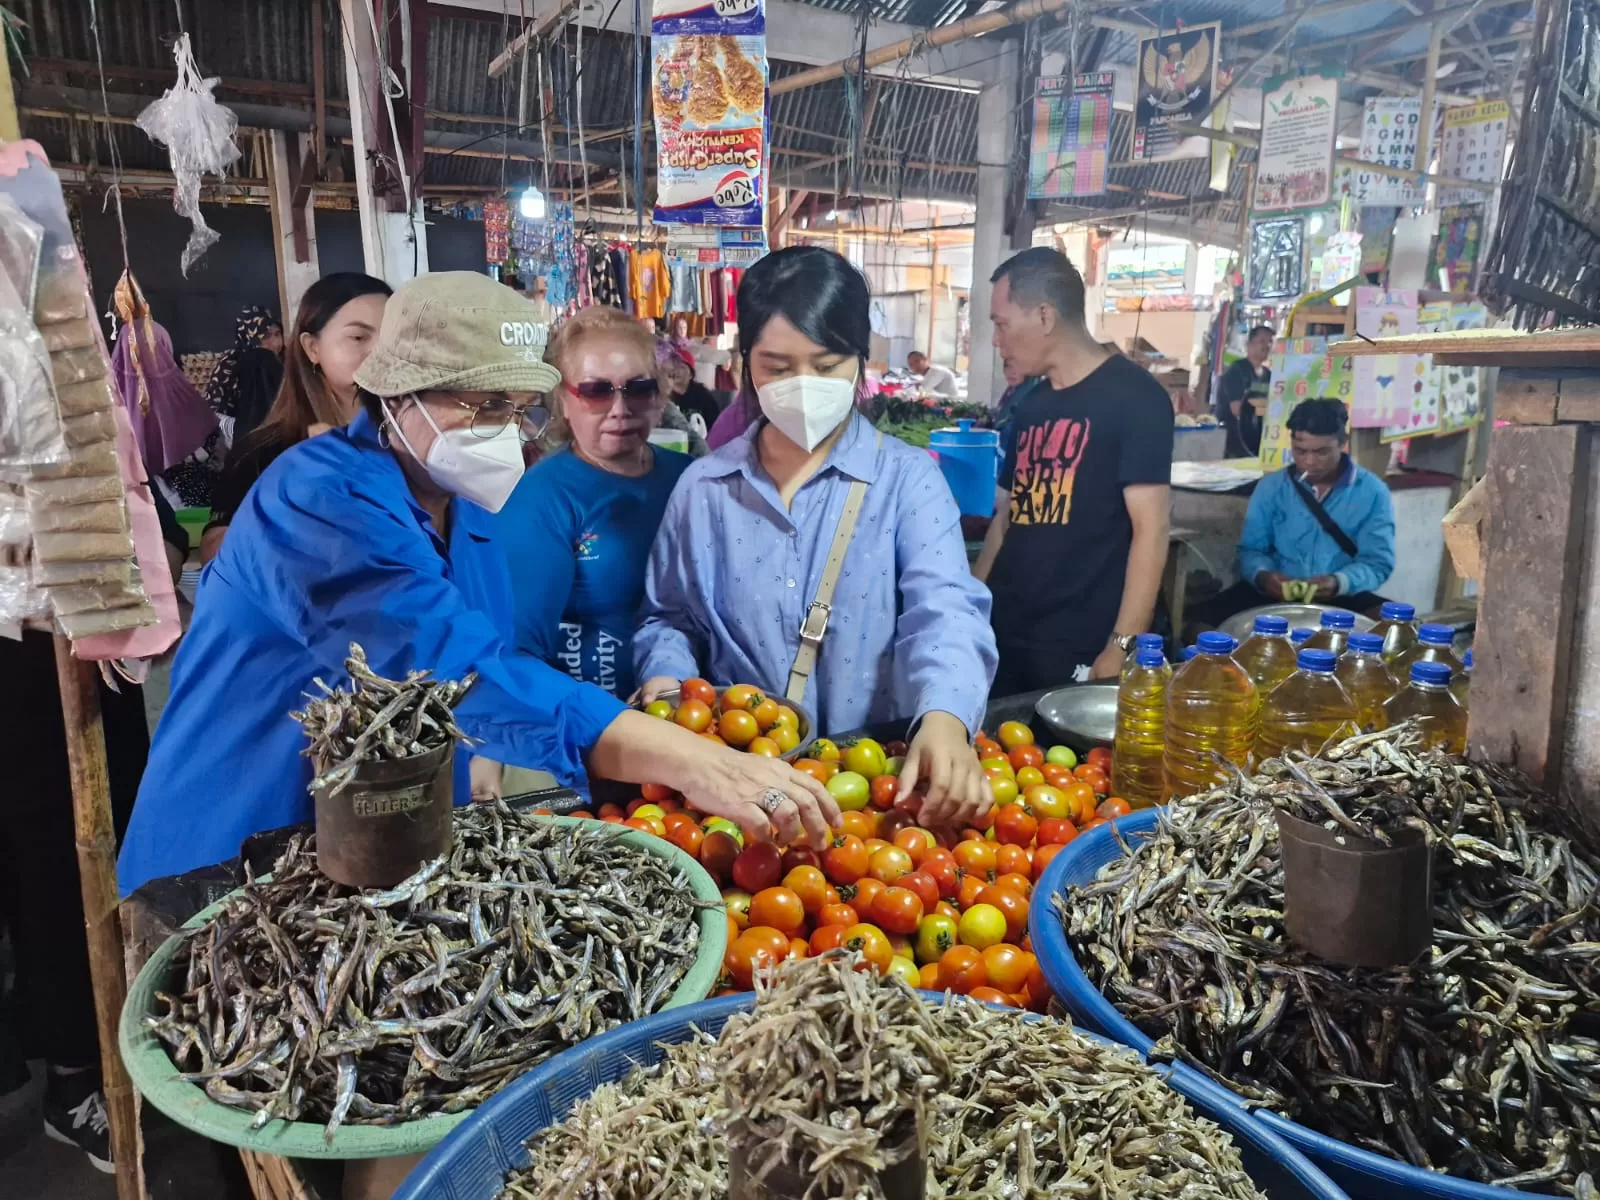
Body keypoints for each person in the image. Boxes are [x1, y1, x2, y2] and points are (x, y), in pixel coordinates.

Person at [117, 272, 838, 899]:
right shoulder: (320, 500)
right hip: (235, 849)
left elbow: (497, 665)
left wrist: (480, 769)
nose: (503, 430)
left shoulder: (473, 509)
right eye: (480, 404)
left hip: (372, 853)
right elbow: (450, 672)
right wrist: (694, 760)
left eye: (515, 408)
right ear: (398, 395)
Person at [635, 246, 997, 830]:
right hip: (743, 790)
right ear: (744, 360)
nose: (802, 386)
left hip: (871, 789)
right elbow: (669, 618)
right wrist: (667, 688)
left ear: (859, 360)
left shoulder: (907, 481)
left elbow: (946, 611)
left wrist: (946, 716)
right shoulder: (704, 488)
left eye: (826, 365)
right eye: (777, 368)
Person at [0, 490, 188, 1174]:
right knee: (45, 873)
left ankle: (117, 1041)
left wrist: (141, 576)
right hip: (20, 692)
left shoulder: (67, 412)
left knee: (115, 860)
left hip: (98, 682)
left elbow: (155, 523)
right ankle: (74, 1076)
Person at [974, 247, 1172, 689]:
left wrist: (1121, 645)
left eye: (1001, 324)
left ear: (1044, 316)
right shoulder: (1030, 404)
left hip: (1080, 640)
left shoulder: (1137, 400)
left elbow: (1151, 530)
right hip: (1009, 632)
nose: (996, 340)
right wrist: (969, 610)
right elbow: (1005, 519)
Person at [499, 307, 692, 700]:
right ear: (564, 402)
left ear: (659, 395)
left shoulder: (692, 480)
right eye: (595, 391)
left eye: (638, 388)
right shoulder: (541, 499)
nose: (620, 410)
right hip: (589, 728)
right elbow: (519, 655)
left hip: (694, 713)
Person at [201, 273, 392, 562]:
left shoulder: (410, 440)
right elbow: (214, 552)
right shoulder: (265, 451)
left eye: (390, 337)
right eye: (358, 337)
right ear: (312, 348)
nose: (379, 351)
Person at [1188, 398, 1395, 627]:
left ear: (1342, 443)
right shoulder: (1272, 487)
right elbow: (1251, 550)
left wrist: (1338, 582)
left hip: (1344, 597)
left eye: (1322, 452)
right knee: (1196, 626)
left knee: (1396, 628)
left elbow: (1377, 563)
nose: (1309, 462)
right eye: (1300, 451)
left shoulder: (1372, 492)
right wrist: (1263, 576)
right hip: (1273, 595)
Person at [162, 307, 286, 509]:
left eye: (277, 334)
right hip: (231, 444)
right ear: (249, 337)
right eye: (265, 337)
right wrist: (242, 430)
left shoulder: (283, 364)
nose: (274, 343)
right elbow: (212, 416)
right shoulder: (231, 366)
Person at [1216, 324, 1274, 458]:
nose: (1267, 345)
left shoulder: (1269, 375)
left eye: (1270, 341)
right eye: (1262, 341)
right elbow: (1237, 409)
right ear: (1249, 345)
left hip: (1257, 440)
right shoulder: (1237, 370)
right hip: (1234, 441)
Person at [658, 339, 720, 434]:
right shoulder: (663, 395)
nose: (676, 370)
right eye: (674, 367)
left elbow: (715, 427)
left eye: (681, 367)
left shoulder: (703, 397)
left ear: (691, 374)